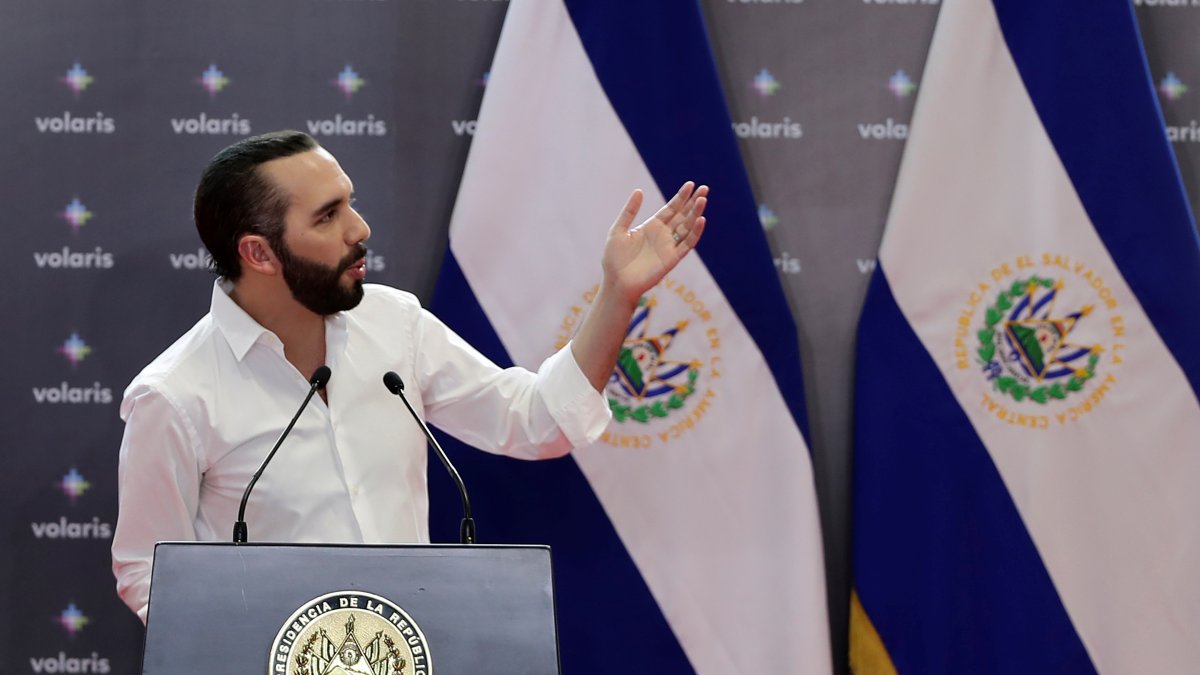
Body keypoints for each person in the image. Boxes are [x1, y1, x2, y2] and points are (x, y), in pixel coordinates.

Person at [110, 130, 707, 621]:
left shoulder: (394, 324)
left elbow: (537, 421)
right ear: (259, 253)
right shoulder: (175, 395)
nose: (359, 229)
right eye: (327, 216)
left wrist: (618, 295)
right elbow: (146, 571)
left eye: (350, 202)